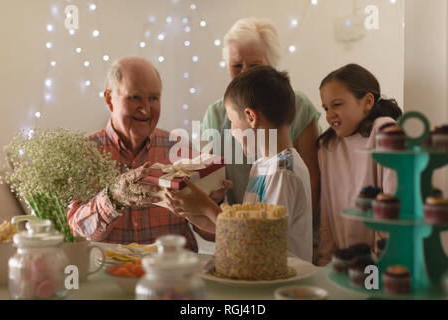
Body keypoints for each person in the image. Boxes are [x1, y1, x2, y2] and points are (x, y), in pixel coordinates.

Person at [67, 57, 217, 251]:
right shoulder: (82, 154)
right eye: (134, 97)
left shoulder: (179, 148)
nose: (146, 109)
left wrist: (213, 202)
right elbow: (76, 232)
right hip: (109, 274)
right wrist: (113, 198)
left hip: (175, 273)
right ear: (109, 99)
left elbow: (210, 234)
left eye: (154, 98)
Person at [168, 66, 313, 262]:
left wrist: (206, 208)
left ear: (251, 117)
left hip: (278, 283)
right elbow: (240, 232)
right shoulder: (261, 166)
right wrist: (193, 208)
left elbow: (262, 241)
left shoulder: (282, 172)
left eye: (232, 123)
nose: (232, 132)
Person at [201, 17, 321, 219]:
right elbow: (208, 182)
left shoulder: (298, 108)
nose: (244, 73)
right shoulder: (216, 114)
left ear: (272, 64)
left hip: (269, 237)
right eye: (237, 65)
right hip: (240, 232)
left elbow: (312, 184)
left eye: (255, 65)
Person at [316, 63, 401, 266]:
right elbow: (327, 211)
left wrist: (380, 259)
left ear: (368, 101)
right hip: (344, 261)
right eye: (326, 108)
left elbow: (391, 203)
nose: (329, 115)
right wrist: (326, 261)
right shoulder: (327, 145)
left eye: (337, 105)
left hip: (380, 261)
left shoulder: (385, 131)